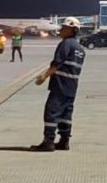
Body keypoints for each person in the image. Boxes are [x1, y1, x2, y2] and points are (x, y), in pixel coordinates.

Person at [31, 17, 86, 152]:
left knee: (52, 111)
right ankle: (64, 141)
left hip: (60, 85)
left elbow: (57, 63)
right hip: (72, 86)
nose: (61, 30)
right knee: (66, 114)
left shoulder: (66, 44)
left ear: (70, 30)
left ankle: (48, 142)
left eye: (63, 28)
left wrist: (44, 76)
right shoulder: (80, 48)